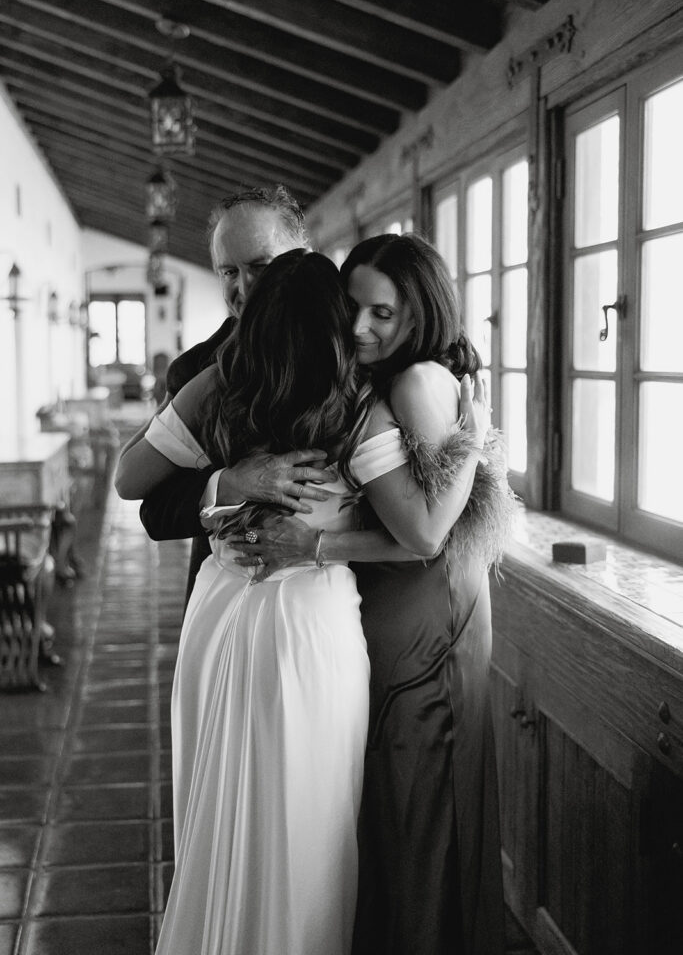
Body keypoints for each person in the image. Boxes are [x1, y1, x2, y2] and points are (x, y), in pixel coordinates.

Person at [115, 249, 493, 955]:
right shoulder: (354, 405)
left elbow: (129, 478)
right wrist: (472, 438)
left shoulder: (218, 385)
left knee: (216, 803)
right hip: (308, 625)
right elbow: (422, 533)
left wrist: (225, 476)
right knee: (306, 827)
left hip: (218, 611)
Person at [228, 234, 514, 955]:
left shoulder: (414, 381)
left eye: (381, 314)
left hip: (426, 613)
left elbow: (426, 535)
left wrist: (314, 546)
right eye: (351, 308)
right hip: (406, 603)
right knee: (401, 811)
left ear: (420, 312)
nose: (359, 328)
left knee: (421, 816)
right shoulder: (391, 377)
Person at [132, 185, 334, 608]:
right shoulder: (197, 370)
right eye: (228, 272)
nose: (246, 287)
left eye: (261, 266)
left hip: (334, 598)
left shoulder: (348, 347)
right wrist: (229, 484)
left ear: (303, 255)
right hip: (226, 597)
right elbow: (154, 511)